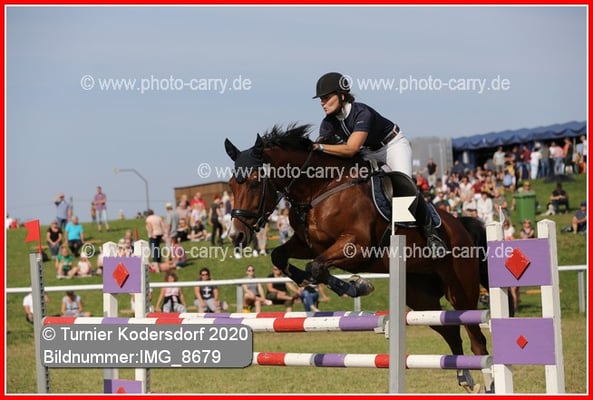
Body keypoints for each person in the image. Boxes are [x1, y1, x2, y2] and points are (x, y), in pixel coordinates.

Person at [311, 72, 446, 253]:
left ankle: (432, 235)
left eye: (327, 98)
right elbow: (324, 153)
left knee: (404, 186)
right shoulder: (328, 123)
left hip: (392, 146)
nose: (322, 103)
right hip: (367, 152)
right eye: (321, 99)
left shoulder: (362, 113)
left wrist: (319, 147)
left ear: (342, 96)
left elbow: (351, 148)